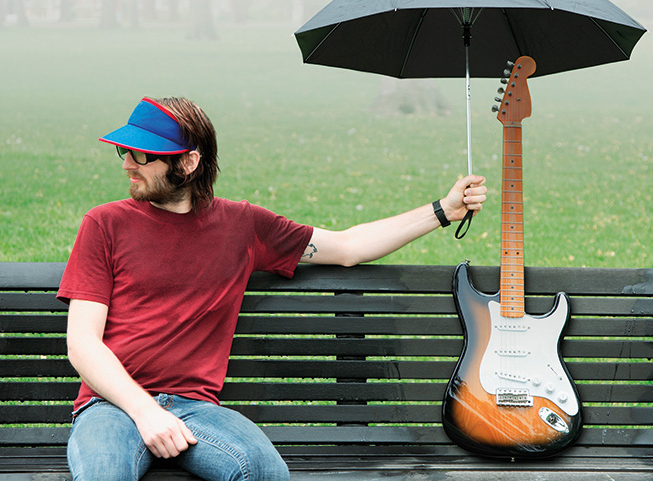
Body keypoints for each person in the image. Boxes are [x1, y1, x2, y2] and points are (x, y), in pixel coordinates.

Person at [57, 96, 487, 481]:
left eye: (141, 154)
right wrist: (145, 411)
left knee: (261, 470)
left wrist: (444, 210)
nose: (126, 163)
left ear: (187, 163)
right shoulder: (105, 224)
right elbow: (82, 344)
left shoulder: (242, 226)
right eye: (123, 150)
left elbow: (349, 245)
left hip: (195, 408)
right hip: (110, 405)